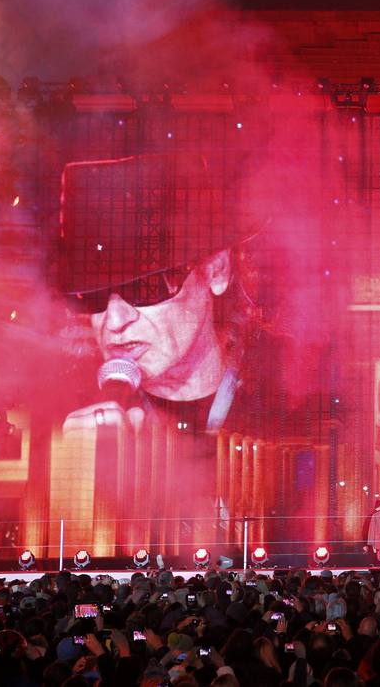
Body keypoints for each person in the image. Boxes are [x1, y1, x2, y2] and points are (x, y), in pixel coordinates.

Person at [53, 152, 298, 557]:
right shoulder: (71, 413)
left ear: (216, 271)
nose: (115, 321)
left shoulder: (283, 396)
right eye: (93, 298)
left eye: (145, 289)